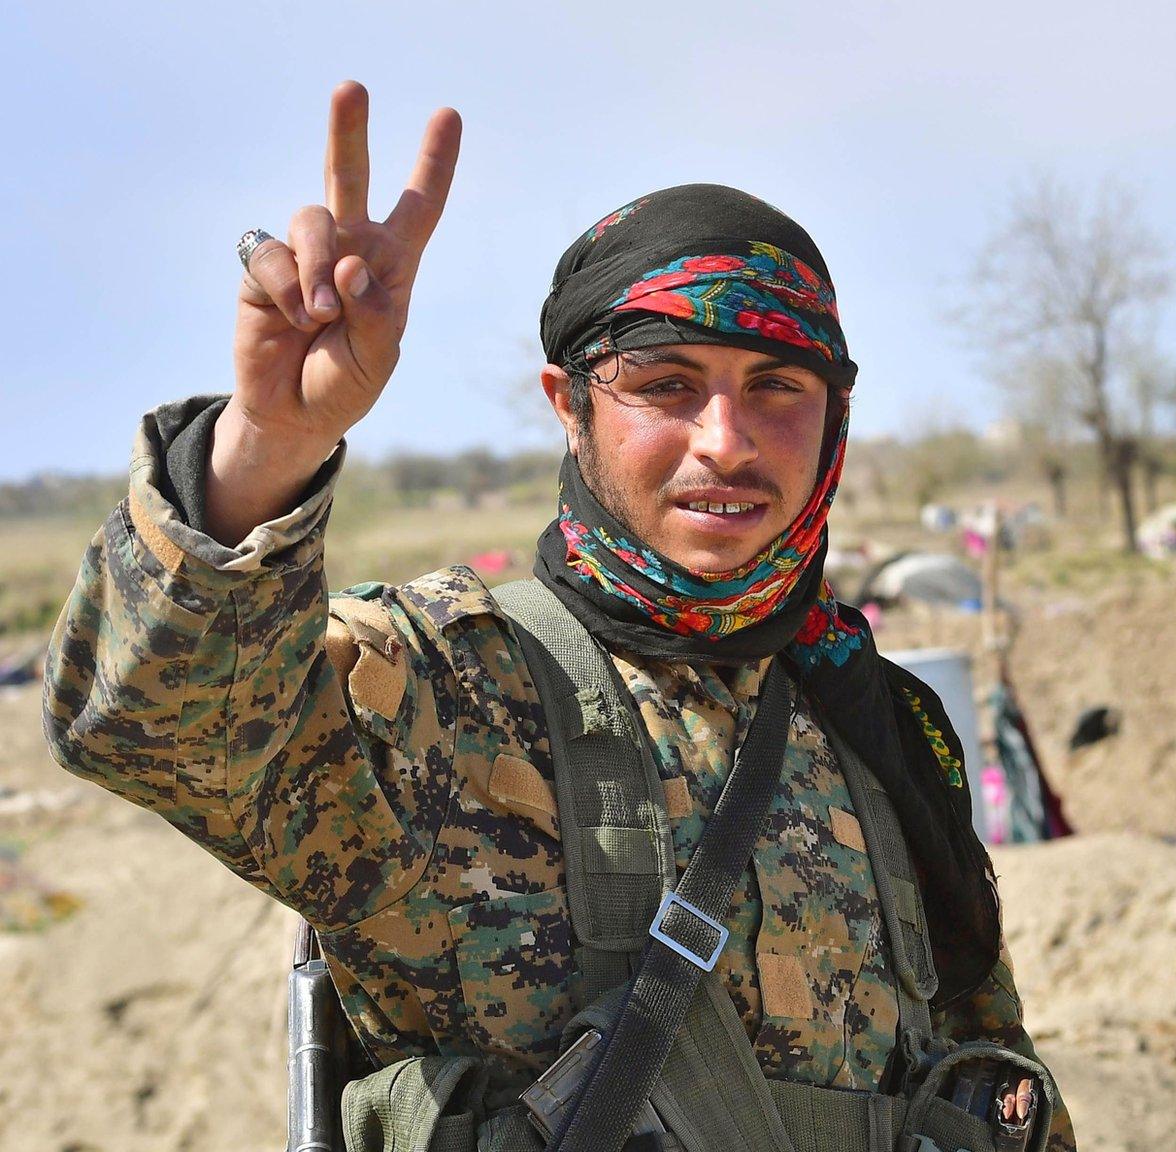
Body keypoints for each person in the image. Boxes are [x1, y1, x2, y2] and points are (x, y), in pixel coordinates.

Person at [43, 82, 1073, 1152]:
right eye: (662, 381)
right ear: (567, 405)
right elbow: (145, 722)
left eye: (777, 384)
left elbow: (991, 1077)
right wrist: (265, 444)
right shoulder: (440, 683)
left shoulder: (873, 718)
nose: (726, 439)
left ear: (836, 416)